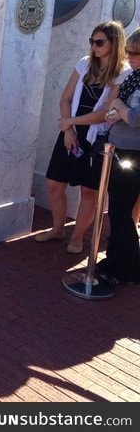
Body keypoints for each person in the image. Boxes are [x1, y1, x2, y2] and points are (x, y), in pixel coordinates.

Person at [35, 20, 130, 254]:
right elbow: (65, 98)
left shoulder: (123, 73)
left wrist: (70, 122)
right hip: (71, 133)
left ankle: (77, 237)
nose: (94, 46)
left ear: (114, 43)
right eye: (92, 41)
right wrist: (68, 129)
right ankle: (58, 229)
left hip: (96, 139)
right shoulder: (84, 64)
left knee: (89, 191)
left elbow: (105, 113)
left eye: (99, 42)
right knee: (54, 184)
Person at [95, 28, 140, 285]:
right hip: (118, 148)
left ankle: (129, 267)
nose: (130, 58)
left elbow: (134, 118)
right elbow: (118, 111)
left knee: (122, 213)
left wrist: (118, 107)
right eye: (129, 52)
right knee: (117, 211)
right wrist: (116, 111)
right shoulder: (134, 78)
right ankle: (115, 259)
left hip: (133, 154)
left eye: (136, 53)